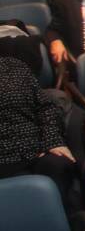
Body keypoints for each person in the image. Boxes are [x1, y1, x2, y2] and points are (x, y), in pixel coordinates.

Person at [0, 57, 77, 211]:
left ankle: (64, 228)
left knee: (59, 164)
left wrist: (52, 141)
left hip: (34, 149)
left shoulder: (15, 66)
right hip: (5, 157)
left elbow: (45, 106)